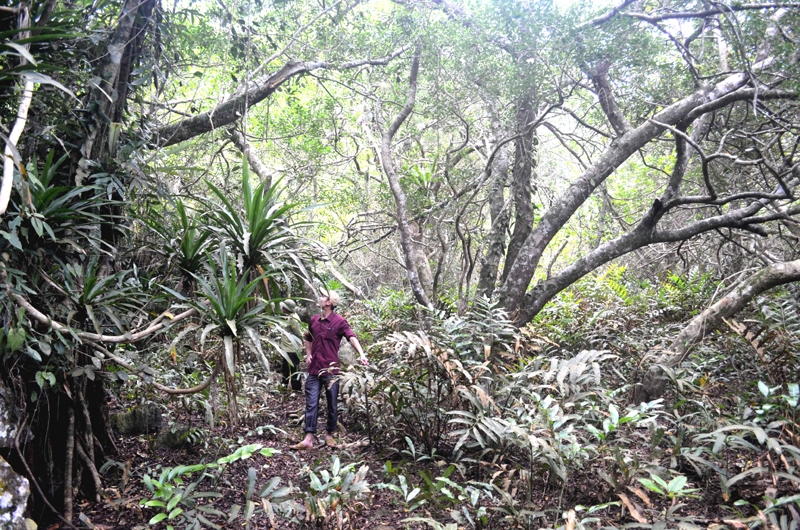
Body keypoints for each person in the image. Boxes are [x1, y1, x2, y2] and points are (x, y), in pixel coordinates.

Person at [291, 290, 368, 450]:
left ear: (329, 303)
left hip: (331, 372)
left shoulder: (339, 321)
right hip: (314, 370)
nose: (320, 298)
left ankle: (329, 435)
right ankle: (308, 438)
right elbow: (308, 338)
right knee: (311, 403)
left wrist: (361, 354)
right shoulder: (314, 320)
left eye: (323, 296)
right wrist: (309, 353)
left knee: (332, 403)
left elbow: (351, 336)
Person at [279, 299, 304, 391]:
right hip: (287, 348)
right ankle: (284, 386)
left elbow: (297, 332)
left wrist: (302, 342)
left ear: (287, 308)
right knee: (285, 368)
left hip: (292, 349)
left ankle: (296, 388)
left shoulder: (293, 318)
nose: (282, 308)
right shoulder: (288, 317)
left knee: (294, 369)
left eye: (283, 307)